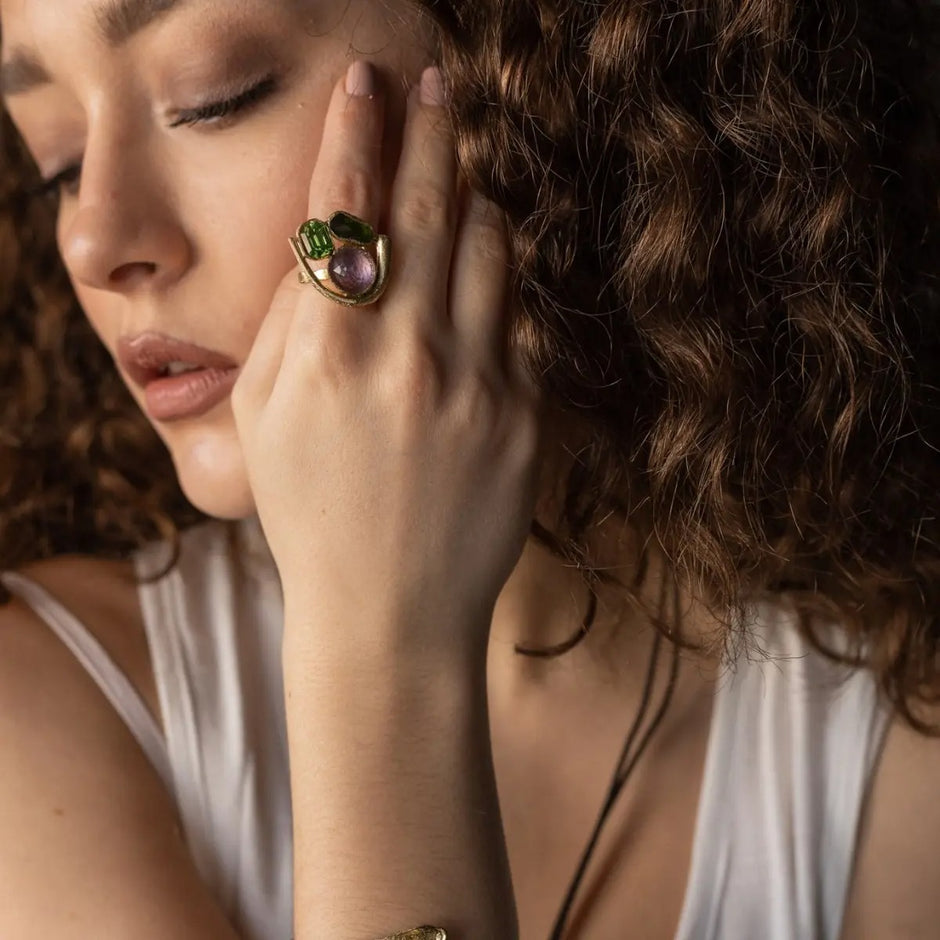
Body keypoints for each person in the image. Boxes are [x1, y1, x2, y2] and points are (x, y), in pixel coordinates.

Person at [0, 0, 938, 937]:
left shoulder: (897, 733)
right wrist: (383, 650)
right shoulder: (48, 720)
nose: (92, 238)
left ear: (535, 66)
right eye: (59, 163)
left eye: (215, 97)